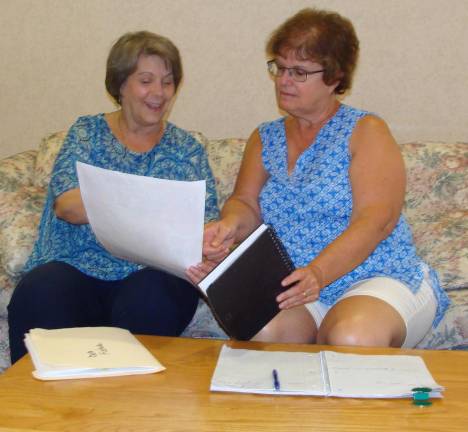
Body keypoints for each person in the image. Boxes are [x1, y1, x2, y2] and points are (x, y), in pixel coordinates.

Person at [188, 8, 449, 348]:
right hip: (298, 284)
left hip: (376, 275)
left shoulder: (365, 131)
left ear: (335, 77)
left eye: (299, 72)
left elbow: (376, 221)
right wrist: (228, 227)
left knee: (350, 337)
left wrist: (320, 273)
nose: (283, 80)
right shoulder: (265, 137)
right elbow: (245, 202)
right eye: (279, 68)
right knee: (262, 336)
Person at [8, 31, 218, 363]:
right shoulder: (87, 133)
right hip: (75, 267)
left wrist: (211, 243)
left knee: (154, 298)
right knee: (41, 292)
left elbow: (203, 226)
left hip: (150, 273)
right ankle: (37, 410)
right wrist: (154, 204)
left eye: (167, 82)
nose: (159, 93)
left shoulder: (186, 150)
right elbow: (68, 206)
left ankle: (127, 409)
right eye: (146, 80)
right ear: (120, 85)